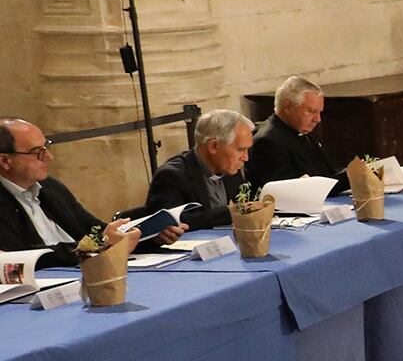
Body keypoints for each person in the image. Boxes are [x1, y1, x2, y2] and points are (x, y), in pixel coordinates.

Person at [1, 118, 176, 266]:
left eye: (47, 147)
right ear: (5, 161)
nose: (49, 157)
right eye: (38, 152)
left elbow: (94, 230)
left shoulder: (50, 188)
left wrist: (150, 236)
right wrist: (96, 245)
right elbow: (19, 257)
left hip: (85, 273)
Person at [141, 109, 255, 229]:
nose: (246, 158)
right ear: (213, 146)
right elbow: (168, 224)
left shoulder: (230, 170)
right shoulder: (171, 176)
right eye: (240, 149)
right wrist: (231, 212)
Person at [244, 76, 343, 188]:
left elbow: (325, 175)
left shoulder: (299, 131)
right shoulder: (267, 142)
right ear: (288, 107)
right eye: (311, 111)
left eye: (319, 112)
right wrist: (348, 178)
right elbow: (293, 191)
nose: (318, 119)